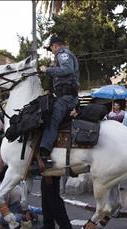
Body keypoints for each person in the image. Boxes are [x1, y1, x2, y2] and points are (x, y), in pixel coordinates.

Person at [38, 35, 79, 167]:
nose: (52, 51)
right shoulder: (61, 55)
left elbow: (67, 69)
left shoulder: (63, 54)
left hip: (67, 97)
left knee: (52, 118)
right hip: (62, 95)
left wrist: (48, 70)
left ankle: (45, 152)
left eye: (51, 48)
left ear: (55, 45)